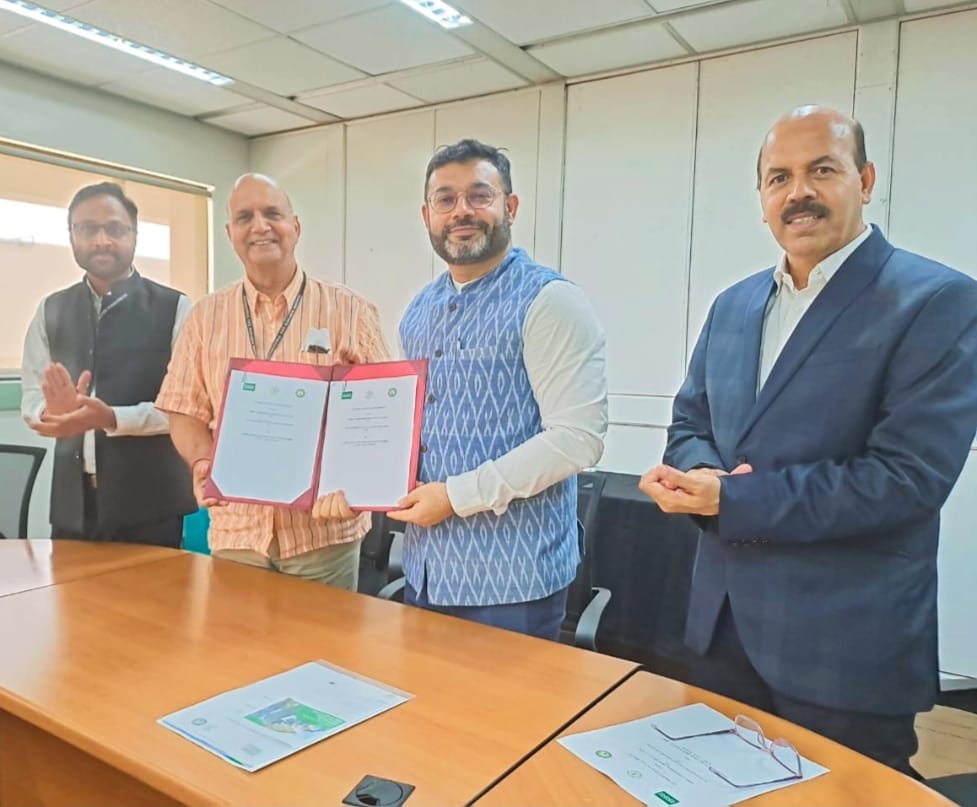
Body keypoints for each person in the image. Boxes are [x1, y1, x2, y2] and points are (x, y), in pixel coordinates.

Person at [639, 105, 977, 776]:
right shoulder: (733, 305)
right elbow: (690, 424)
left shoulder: (935, 301)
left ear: (865, 180)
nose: (798, 192)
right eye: (779, 177)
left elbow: (905, 480)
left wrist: (730, 498)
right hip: (722, 633)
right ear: (762, 198)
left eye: (822, 170)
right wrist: (696, 471)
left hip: (843, 649)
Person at [382, 139, 608, 639]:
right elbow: (416, 429)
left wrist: (455, 496)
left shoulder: (550, 300)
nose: (461, 211)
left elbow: (578, 438)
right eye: (445, 199)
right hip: (425, 570)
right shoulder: (417, 312)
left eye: (479, 195)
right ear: (426, 215)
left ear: (510, 206)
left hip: (513, 583)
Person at [156, 173, 389, 590]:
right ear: (230, 233)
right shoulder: (204, 318)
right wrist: (203, 462)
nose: (259, 226)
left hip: (323, 536)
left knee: (321, 635)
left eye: (272, 214)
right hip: (237, 532)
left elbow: (381, 415)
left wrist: (357, 480)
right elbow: (183, 410)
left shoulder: (350, 310)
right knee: (239, 636)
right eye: (244, 217)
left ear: (295, 227)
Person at [21, 182, 195, 546]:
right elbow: (32, 398)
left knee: (154, 587)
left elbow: (187, 409)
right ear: (71, 235)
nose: (101, 240)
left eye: (114, 229)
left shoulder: (177, 308)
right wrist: (51, 412)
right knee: (68, 587)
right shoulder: (50, 309)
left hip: (151, 505)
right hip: (72, 507)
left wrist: (112, 418)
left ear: (134, 235)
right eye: (87, 229)